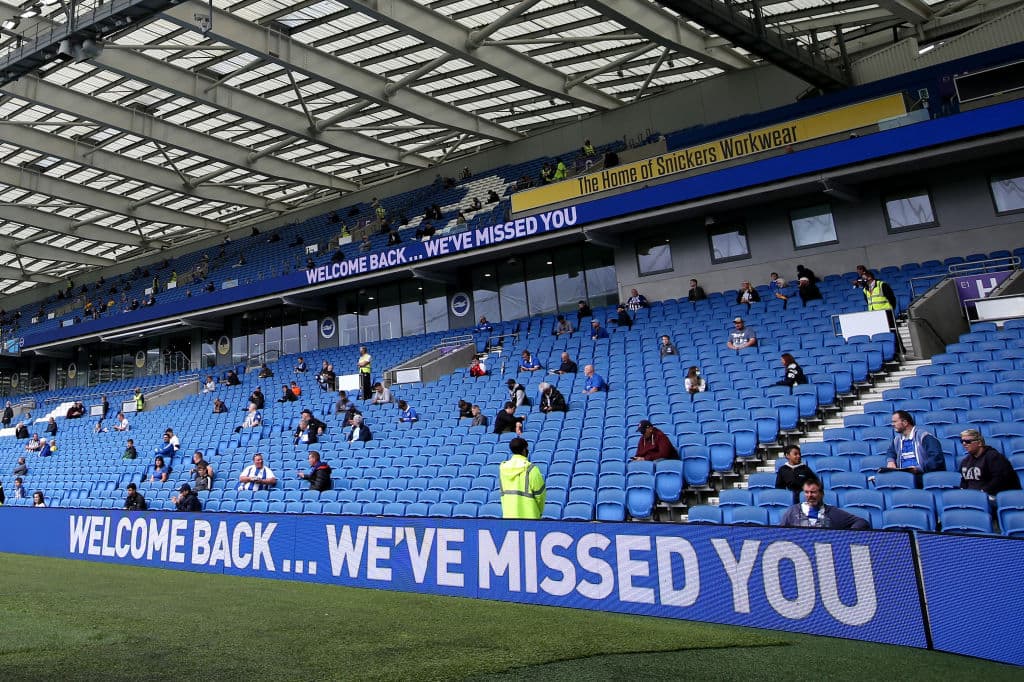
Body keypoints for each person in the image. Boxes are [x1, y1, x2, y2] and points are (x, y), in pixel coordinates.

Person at [779, 479, 869, 529]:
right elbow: (780, 532)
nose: (809, 495)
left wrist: (846, 535)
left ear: (821, 493)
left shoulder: (833, 512)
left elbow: (862, 522)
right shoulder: (793, 511)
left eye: (813, 492)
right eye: (807, 492)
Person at [885, 411, 945, 484]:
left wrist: (919, 468)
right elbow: (890, 452)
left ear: (905, 423)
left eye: (895, 422)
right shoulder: (897, 440)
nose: (892, 424)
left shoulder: (924, 436)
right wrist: (890, 461)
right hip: (903, 476)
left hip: (922, 475)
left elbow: (936, 457)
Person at [958, 429, 1021, 496]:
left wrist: (982, 493)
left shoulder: (994, 457)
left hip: (995, 496)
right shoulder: (965, 461)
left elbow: (1000, 480)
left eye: (968, 441)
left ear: (979, 443)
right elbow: (964, 481)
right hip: (973, 498)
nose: (964, 444)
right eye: (962, 441)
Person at [499, 437, 546, 520]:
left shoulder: (503, 468)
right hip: (530, 518)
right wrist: (539, 512)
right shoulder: (531, 469)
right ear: (524, 450)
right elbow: (540, 495)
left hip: (509, 516)